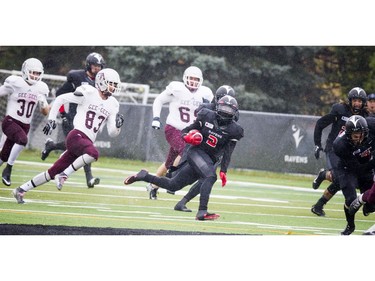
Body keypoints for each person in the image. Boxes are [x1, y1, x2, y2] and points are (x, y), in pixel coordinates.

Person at [13, 68, 124, 204]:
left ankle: (21, 189)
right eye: (110, 83)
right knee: (94, 153)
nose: (113, 87)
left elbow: (112, 133)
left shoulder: (113, 104)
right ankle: (64, 174)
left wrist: (118, 126)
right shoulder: (88, 92)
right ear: (101, 81)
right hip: (76, 135)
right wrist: (52, 119)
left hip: (84, 142)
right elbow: (61, 98)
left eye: (114, 84)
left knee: (51, 173)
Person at [124, 95, 244, 220]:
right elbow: (187, 130)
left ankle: (143, 176)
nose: (226, 112)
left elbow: (228, 151)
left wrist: (224, 170)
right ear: (218, 107)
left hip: (208, 159)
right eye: (224, 108)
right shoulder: (206, 115)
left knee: (173, 185)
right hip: (195, 152)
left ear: (234, 112)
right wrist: (186, 136)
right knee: (210, 176)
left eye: (229, 110)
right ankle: (202, 211)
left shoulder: (235, 130)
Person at [147, 66, 213, 199]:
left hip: (191, 132)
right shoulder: (176, 89)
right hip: (174, 129)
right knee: (186, 152)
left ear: (201, 80)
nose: (193, 81)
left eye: (196, 79)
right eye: (191, 78)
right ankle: (173, 178)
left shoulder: (205, 93)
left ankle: (153, 186)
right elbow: (159, 100)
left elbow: (211, 111)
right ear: (185, 78)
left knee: (169, 163)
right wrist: (156, 118)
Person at [41, 52, 105, 188]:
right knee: (84, 148)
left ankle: (51, 146)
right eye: (95, 66)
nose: (97, 69)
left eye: (99, 66)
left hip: (86, 118)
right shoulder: (77, 77)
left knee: (76, 146)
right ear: (88, 65)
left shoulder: (101, 81)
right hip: (72, 117)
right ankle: (89, 178)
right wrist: (63, 114)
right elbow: (60, 95)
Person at [174, 85, 238, 212]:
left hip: (214, 152)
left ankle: (183, 201)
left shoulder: (234, 113)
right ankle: (159, 184)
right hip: (198, 146)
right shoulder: (206, 109)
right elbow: (196, 125)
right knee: (178, 177)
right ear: (217, 98)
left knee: (206, 179)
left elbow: (229, 136)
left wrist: (223, 165)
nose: (226, 109)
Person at [311, 87, 368, 217]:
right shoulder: (340, 110)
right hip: (334, 148)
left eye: (360, 101)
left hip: (349, 153)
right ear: (350, 101)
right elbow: (320, 123)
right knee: (339, 176)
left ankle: (318, 205)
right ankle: (323, 175)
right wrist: (317, 144)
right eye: (355, 100)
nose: (357, 104)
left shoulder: (364, 116)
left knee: (342, 179)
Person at [0, 58, 50, 186]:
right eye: (33, 72)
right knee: (22, 140)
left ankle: (6, 165)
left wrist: (44, 105)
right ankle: (8, 169)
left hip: (25, 125)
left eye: (38, 73)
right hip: (10, 121)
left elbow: (44, 112)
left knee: (4, 155)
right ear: (25, 71)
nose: (35, 76)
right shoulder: (16, 82)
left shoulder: (40, 88)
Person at [333, 115, 375, 235]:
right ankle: (350, 225)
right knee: (351, 200)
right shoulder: (340, 145)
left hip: (367, 165)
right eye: (355, 136)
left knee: (372, 204)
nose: (358, 139)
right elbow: (357, 165)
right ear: (348, 135)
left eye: (361, 135)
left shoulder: (372, 125)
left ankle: (368, 206)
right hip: (348, 168)